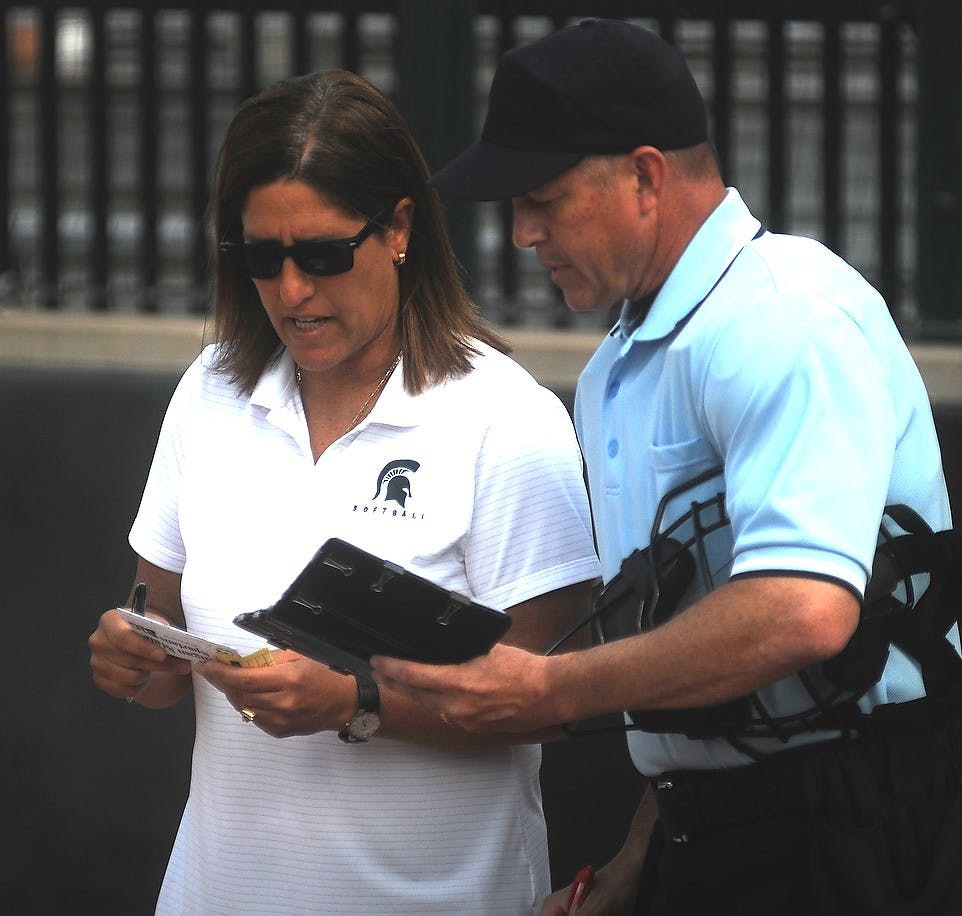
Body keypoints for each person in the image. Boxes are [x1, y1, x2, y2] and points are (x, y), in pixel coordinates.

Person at [372, 18, 962, 915]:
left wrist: (548, 686)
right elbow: (693, 663)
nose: (520, 233)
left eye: (543, 197)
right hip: (717, 841)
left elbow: (801, 610)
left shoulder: (783, 311)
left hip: (855, 835)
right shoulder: (614, 373)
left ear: (645, 175)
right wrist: (647, 848)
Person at [87, 69, 601, 915]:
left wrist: (358, 704)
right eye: (262, 256)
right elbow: (162, 637)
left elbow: (558, 700)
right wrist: (135, 657)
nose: (292, 290)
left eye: (324, 254)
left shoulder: (503, 418)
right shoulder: (211, 391)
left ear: (399, 228)